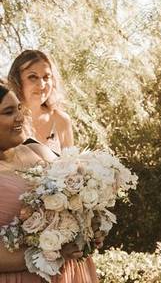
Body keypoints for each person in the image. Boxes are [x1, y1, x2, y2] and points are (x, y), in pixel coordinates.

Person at [0, 81, 98, 282]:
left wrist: (91, 229)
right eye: (8, 112)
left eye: (19, 108)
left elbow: (75, 198)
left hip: (71, 272)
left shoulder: (37, 150)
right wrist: (51, 254)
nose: (20, 117)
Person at [7, 51, 74, 155]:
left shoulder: (61, 120)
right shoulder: (4, 120)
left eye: (46, 77)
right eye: (33, 77)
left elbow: (73, 166)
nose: (42, 85)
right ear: (17, 81)